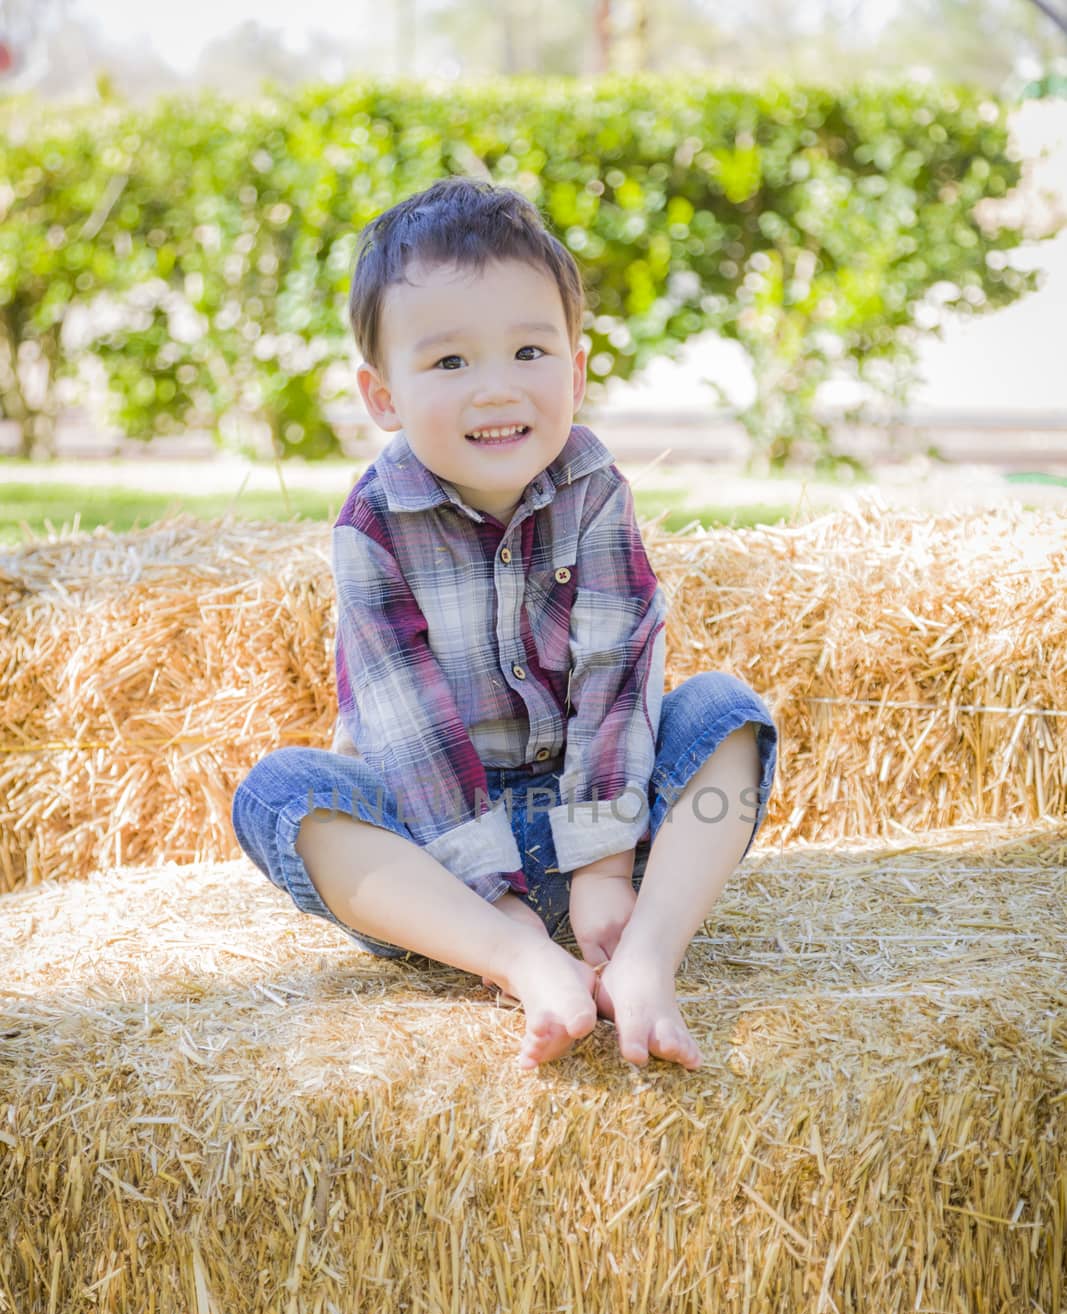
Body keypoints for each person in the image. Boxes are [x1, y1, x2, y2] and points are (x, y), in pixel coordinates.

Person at [231, 177, 778, 1074]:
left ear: (575, 367)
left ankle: (644, 957)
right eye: (449, 364)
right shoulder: (374, 525)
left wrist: (604, 868)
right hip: (432, 861)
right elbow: (409, 734)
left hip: (600, 817)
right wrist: (502, 909)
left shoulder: (594, 488)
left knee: (725, 717)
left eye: (529, 351)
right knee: (280, 791)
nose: (496, 390)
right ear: (383, 396)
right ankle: (521, 962)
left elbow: (617, 672)